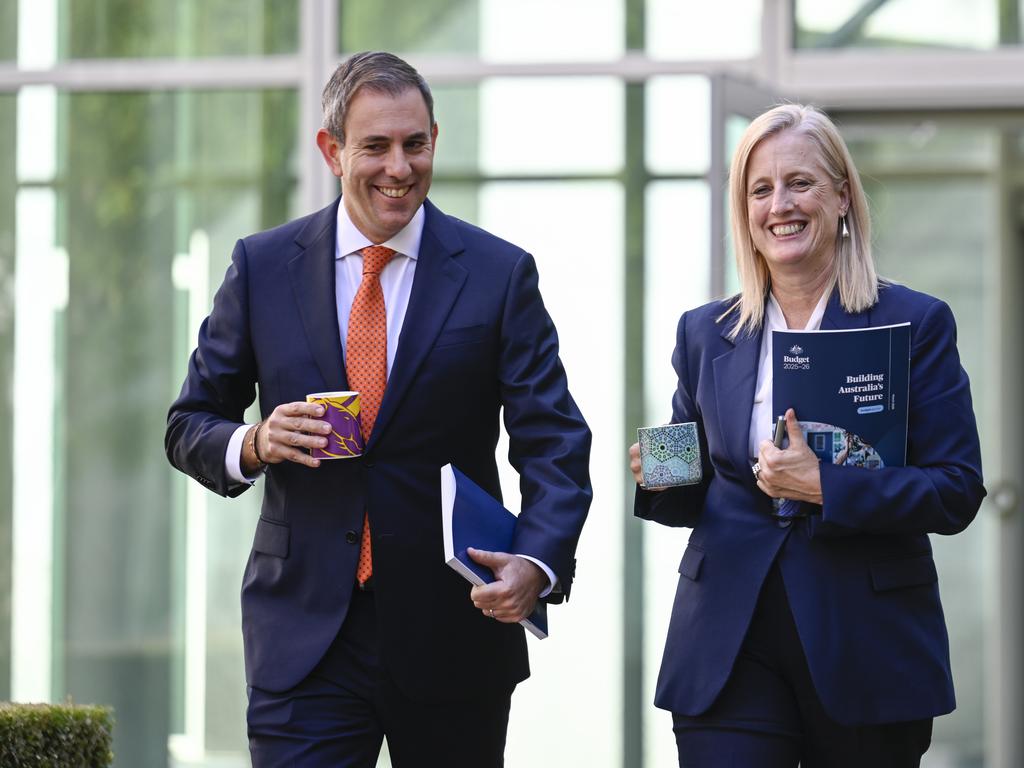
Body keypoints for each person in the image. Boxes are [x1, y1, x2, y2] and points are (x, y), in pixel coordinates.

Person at [166, 51, 592, 767]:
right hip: (304, 641)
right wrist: (256, 440)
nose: (399, 166)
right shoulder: (263, 267)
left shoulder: (497, 274)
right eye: (376, 146)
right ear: (332, 150)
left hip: (455, 632)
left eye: (415, 144)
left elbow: (553, 442)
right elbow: (189, 423)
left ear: (434, 140)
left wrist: (537, 560)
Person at [629, 104, 985, 767]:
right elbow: (694, 480)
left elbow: (956, 490)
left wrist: (827, 485)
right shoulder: (706, 332)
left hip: (866, 646)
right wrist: (658, 470)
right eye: (760, 189)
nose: (779, 205)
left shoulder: (915, 323)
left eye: (800, 183)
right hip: (728, 647)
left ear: (842, 196)